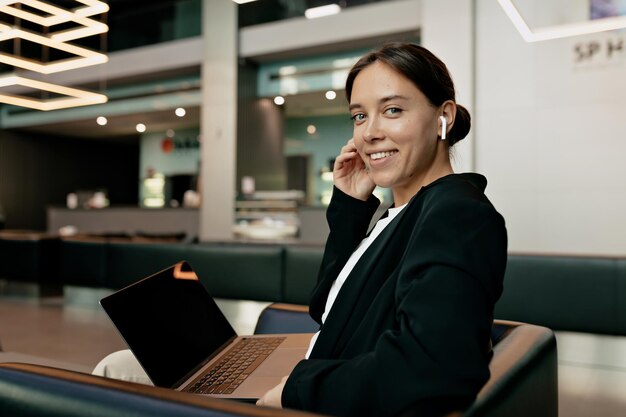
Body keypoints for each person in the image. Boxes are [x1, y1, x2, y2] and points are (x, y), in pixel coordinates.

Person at [256, 42, 507, 417]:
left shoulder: (457, 215)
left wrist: (297, 389)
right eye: (359, 116)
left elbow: (434, 369)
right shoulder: (402, 213)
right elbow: (327, 308)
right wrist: (350, 209)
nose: (369, 132)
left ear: (445, 117)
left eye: (392, 110)